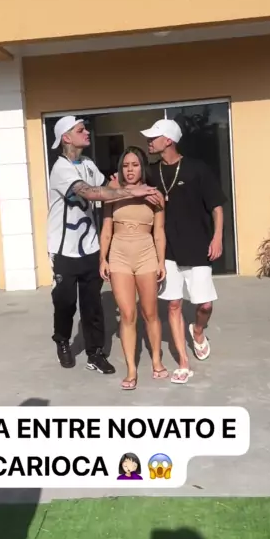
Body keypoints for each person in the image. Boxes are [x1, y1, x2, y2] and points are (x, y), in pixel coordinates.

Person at [47, 116, 160, 373]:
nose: (87, 132)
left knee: (93, 304)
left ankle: (95, 353)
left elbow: (107, 187)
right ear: (66, 137)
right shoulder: (61, 168)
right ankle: (62, 340)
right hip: (64, 249)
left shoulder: (88, 163)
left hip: (90, 246)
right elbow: (91, 193)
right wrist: (131, 191)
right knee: (65, 302)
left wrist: (127, 181)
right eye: (80, 130)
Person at [141, 119, 226, 384]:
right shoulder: (151, 172)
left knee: (205, 304)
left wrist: (217, 238)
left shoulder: (197, 169)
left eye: (154, 137)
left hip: (198, 245)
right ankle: (183, 362)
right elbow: (130, 185)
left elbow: (217, 207)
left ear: (168, 140)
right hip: (167, 249)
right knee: (174, 303)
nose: (149, 141)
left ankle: (198, 331)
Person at [99, 146, 167, 390]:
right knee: (128, 314)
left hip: (146, 254)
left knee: (150, 312)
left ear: (142, 167)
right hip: (119, 255)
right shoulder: (112, 194)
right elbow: (106, 230)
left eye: (135, 165)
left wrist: (161, 261)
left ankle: (157, 360)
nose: (130, 170)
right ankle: (131, 369)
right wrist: (103, 259)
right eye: (126, 165)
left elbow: (159, 232)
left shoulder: (155, 195)